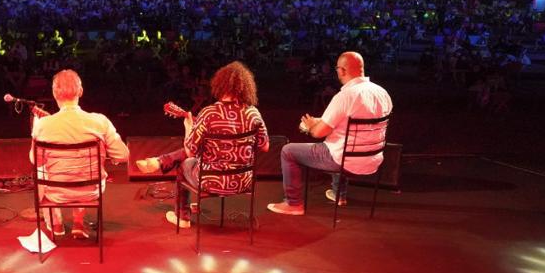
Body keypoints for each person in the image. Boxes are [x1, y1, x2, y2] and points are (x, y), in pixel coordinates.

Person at [136, 61, 270, 227]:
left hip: (211, 182)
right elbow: (265, 146)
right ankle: (159, 162)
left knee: (183, 164)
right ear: (246, 87)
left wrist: (188, 128)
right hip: (244, 181)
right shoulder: (253, 113)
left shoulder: (209, 113)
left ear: (219, 85)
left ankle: (182, 216)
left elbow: (190, 152)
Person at [267, 51, 392, 215]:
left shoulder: (345, 96)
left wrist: (310, 126)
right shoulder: (383, 93)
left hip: (344, 161)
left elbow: (318, 133)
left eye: (337, 69)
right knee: (341, 140)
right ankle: (339, 194)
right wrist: (322, 121)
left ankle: (293, 203)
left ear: (342, 70)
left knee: (288, 151)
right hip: (373, 160)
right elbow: (355, 122)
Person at [30, 69, 129, 239]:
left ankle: (56, 224)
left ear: (54, 93)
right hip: (91, 191)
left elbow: (35, 161)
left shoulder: (42, 125)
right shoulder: (100, 121)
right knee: (84, 169)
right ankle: (78, 223)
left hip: (56, 192)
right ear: (81, 91)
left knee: (41, 170)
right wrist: (105, 154)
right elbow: (123, 155)